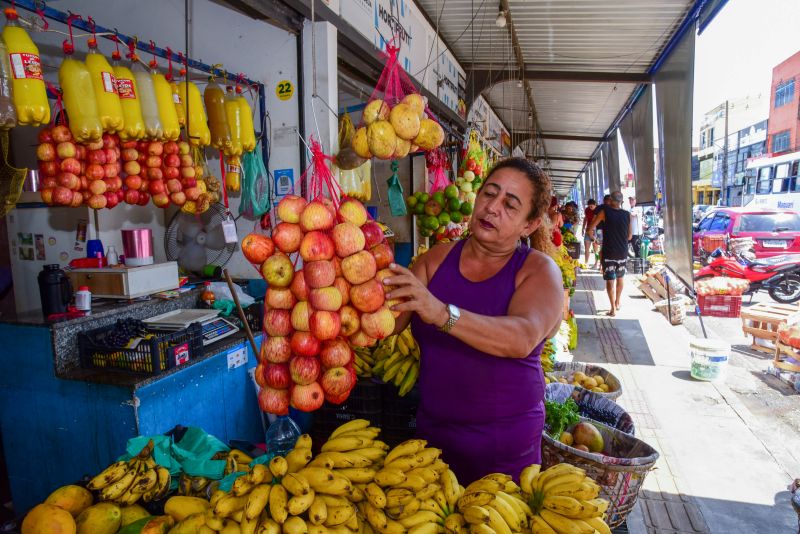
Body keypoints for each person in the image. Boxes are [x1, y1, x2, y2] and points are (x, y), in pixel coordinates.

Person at [383, 158, 564, 482]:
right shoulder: (435, 260)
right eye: (488, 194)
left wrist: (441, 314)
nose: (492, 208)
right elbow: (387, 323)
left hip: (505, 448)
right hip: (433, 440)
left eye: (510, 205)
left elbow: (521, 337)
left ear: (530, 224)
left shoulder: (538, 271)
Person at [587, 191, 631, 316]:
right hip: (622, 252)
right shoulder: (627, 215)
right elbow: (629, 236)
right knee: (620, 277)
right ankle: (618, 302)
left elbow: (591, 228)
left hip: (609, 252)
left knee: (610, 280)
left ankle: (613, 309)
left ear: (611, 200)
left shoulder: (604, 212)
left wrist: (593, 238)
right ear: (621, 201)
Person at [582, 199, 597, 266]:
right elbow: (586, 218)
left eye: (591, 206)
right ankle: (586, 262)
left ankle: (596, 264)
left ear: (595, 205)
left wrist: (591, 230)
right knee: (586, 248)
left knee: (595, 249)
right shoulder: (587, 210)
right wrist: (583, 227)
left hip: (595, 231)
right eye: (589, 206)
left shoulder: (598, 210)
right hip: (588, 230)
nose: (590, 208)